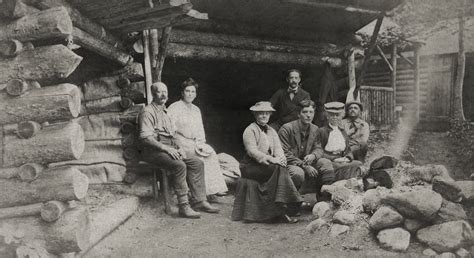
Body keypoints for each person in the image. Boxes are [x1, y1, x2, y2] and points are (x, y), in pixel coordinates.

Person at [138, 82, 219, 219]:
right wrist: (167, 149)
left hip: (168, 148)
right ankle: (184, 206)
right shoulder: (148, 112)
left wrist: (179, 148)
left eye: (166, 92)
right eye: (159, 92)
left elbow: (172, 134)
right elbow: (146, 138)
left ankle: (199, 200)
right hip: (153, 151)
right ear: (153, 94)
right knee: (179, 165)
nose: (163, 95)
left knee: (196, 163)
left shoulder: (165, 112)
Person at [232, 101, 302, 223]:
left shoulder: (272, 131)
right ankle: (289, 204)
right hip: (250, 166)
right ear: (255, 115)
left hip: (268, 166)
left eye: (267, 114)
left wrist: (281, 159)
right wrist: (272, 159)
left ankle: (280, 209)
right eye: (261, 114)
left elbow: (279, 149)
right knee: (278, 169)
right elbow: (252, 152)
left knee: (280, 167)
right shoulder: (250, 130)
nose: (264, 116)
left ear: (270, 115)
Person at [167, 78, 228, 202]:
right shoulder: (174, 107)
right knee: (198, 159)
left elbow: (200, 129)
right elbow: (170, 130)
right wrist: (178, 145)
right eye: (187, 91)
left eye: (193, 91)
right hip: (180, 141)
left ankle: (211, 191)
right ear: (182, 92)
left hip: (195, 141)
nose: (190, 94)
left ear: (196, 94)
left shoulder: (196, 109)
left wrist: (201, 143)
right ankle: (200, 196)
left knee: (210, 154)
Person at [278, 100, 333, 194]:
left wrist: (313, 156)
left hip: (308, 162)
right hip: (291, 163)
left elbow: (319, 148)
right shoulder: (286, 129)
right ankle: (291, 202)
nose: (308, 115)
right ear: (298, 114)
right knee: (298, 173)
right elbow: (284, 153)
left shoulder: (315, 129)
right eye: (305, 112)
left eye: (311, 112)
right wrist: (304, 165)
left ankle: (324, 197)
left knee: (325, 163)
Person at [313, 102, 363, 197]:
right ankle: (326, 195)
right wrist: (333, 158)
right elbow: (318, 150)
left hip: (342, 158)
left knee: (358, 164)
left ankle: (349, 194)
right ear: (327, 116)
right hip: (328, 159)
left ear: (341, 116)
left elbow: (348, 149)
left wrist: (348, 157)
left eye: (337, 115)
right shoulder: (322, 131)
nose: (335, 117)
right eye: (332, 115)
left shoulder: (342, 131)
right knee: (327, 166)